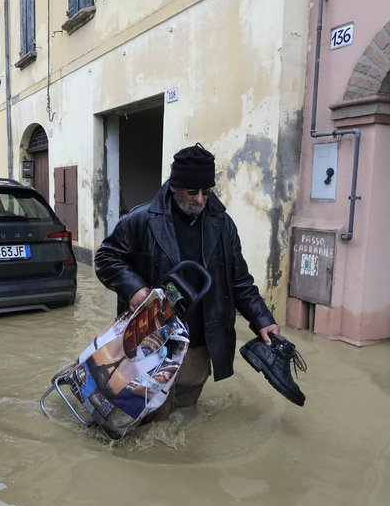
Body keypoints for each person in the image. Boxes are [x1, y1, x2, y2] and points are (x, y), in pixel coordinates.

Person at [95, 143, 291, 421]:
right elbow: (106, 258)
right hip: (150, 346)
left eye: (206, 192)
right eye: (192, 192)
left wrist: (263, 320)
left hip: (199, 347)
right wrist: (135, 289)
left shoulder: (223, 225)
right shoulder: (140, 220)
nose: (200, 199)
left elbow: (239, 281)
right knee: (148, 421)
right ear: (174, 186)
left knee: (183, 419)